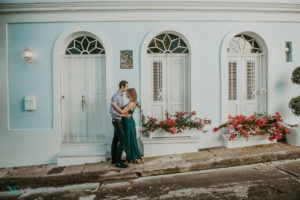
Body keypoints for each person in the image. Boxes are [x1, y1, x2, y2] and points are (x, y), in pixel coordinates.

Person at [111, 88, 144, 164]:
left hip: (129, 123)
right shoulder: (131, 102)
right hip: (128, 121)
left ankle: (139, 156)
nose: (126, 94)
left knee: (131, 140)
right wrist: (125, 115)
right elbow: (125, 113)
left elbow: (122, 111)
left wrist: (114, 105)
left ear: (130, 94)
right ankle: (134, 157)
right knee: (129, 140)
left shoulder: (131, 103)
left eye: (127, 93)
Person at [109, 80, 129, 168]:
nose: (127, 88)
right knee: (123, 140)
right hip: (117, 121)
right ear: (122, 87)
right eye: (126, 87)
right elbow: (111, 111)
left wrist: (122, 114)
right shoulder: (116, 96)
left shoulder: (120, 96)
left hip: (118, 120)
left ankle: (114, 159)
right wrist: (122, 114)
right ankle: (118, 161)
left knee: (116, 140)